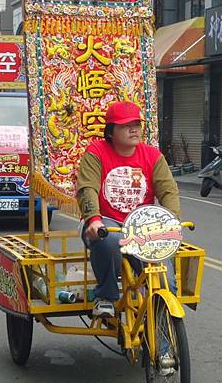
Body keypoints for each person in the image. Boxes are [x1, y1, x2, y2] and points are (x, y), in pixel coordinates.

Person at [76, 101, 180, 319]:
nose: (134, 129)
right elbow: (87, 188)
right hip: (107, 223)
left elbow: (168, 192)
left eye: (136, 124)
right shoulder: (96, 152)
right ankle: (105, 296)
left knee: (165, 283)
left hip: (143, 227)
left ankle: (164, 350)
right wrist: (94, 220)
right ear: (111, 131)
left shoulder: (153, 156)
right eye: (125, 126)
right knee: (110, 241)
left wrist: (172, 221)